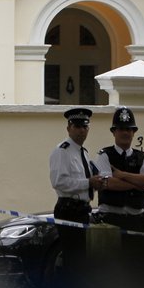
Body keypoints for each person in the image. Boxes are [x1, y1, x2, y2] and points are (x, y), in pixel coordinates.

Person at [49, 107, 103, 275]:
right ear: (68, 128)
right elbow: (59, 182)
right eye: (77, 126)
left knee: (82, 260)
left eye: (85, 126)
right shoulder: (62, 151)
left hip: (82, 210)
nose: (81, 131)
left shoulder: (83, 153)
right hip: (69, 209)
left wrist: (95, 183)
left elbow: (85, 182)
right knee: (73, 260)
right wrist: (88, 182)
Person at [95, 106, 144, 234]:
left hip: (137, 220)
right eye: (121, 129)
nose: (125, 133)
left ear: (134, 132)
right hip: (110, 219)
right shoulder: (105, 155)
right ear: (114, 132)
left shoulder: (143, 157)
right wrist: (137, 184)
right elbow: (108, 183)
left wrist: (122, 175)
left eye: (128, 129)